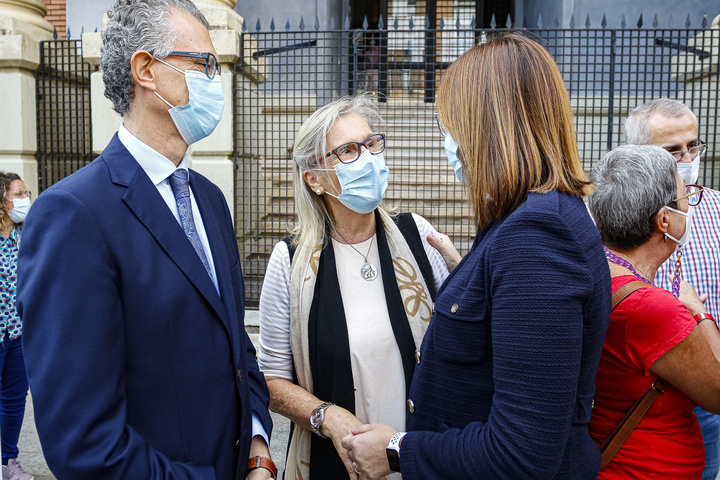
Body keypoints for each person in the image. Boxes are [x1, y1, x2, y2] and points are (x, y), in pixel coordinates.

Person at [17, 1, 273, 478]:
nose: (216, 80)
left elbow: (235, 343)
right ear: (146, 71)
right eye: (204, 64)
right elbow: (86, 445)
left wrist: (258, 445)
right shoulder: (73, 215)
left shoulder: (211, 199)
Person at [341, 33, 611, 479]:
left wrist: (396, 449)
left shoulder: (537, 234)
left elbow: (520, 456)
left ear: (489, 127)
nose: (450, 142)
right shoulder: (530, 218)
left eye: (452, 126)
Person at [257, 94, 453, 480]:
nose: (367, 158)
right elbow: (273, 380)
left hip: (420, 457)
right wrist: (326, 416)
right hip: (336, 464)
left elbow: (460, 345)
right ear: (313, 178)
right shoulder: (291, 262)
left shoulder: (418, 237)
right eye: (347, 150)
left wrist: (465, 278)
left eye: (371, 143)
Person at [587, 144, 720, 478]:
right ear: (664, 219)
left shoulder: (598, 272)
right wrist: (698, 312)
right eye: (685, 198)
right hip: (644, 467)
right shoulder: (652, 307)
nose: (690, 206)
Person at [625, 98, 720, 480]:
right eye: (672, 150)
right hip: (640, 394)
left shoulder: (716, 209)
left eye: (693, 146)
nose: (687, 157)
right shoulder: (615, 217)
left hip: (707, 392)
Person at [0, 173, 32, 480]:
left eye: (26, 193)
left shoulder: (26, 233)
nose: (24, 200)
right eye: (18, 194)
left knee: (13, 399)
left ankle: (8, 460)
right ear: (2, 201)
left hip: (19, 331)